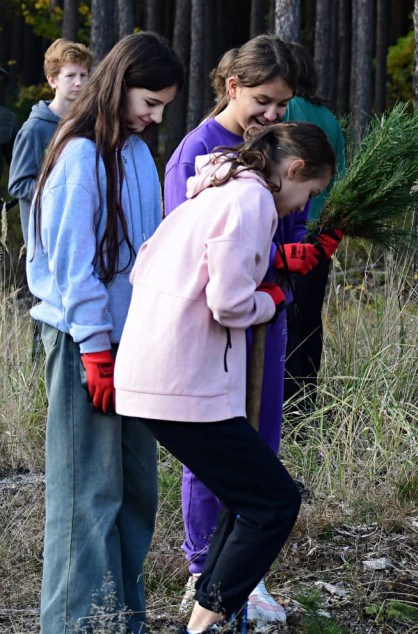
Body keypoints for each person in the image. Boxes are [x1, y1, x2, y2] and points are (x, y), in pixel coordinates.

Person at [115, 122, 334, 634]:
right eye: (310, 193)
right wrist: (273, 298)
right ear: (294, 170)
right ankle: (204, 624)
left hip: (161, 374)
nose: (302, 206)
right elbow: (230, 303)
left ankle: (207, 618)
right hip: (180, 382)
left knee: (251, 496)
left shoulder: (216, 190)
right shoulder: (250, 202)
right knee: (274, 502)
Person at [165, 35, 339, 624]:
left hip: (268, 321)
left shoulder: (281, 148)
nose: (272, 113)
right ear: (232, 85)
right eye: (263, 99)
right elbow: (185, 249)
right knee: (217, 453)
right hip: (218, 329)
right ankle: (202, 572)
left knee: (261, 446)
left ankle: (246, 573)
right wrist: (273, 261)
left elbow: (290, 223)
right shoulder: (199, 151)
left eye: (282, 103)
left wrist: (307, 248)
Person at [27, 31, 183, 634]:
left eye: (165, 105)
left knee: (134, 493)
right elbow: (72, 266)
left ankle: (120, 621)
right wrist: (95, 348)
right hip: (84, 348)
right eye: (150, 100)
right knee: (86, 498)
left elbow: (144, 252)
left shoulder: (137, 153)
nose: (156, 114)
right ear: (119, 85)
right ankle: (75, 625)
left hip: (133, 345)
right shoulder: (80, 155)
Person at [281, 42, 347, 407]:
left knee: (286, 321)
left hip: (292, 231)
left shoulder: (287, 109)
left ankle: (286, 407)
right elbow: (342, 179)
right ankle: (307, 402)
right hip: (324, 234)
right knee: (310, 322)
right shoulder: (330, 118)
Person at [10, 39, 93, 233]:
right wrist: (59, 192)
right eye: (70, 75)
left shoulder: (90, 124)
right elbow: (18, 184)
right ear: (52, 80)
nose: (79, 83)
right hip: (44, 240)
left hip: (81, 233)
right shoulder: (34, 129)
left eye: (84, 75)